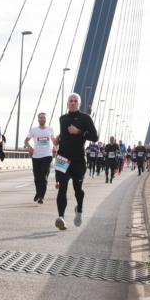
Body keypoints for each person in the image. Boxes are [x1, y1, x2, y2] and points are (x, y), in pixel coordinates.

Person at [52, 93, 98, 230]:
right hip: (62, 158)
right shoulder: (62, 119)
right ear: (67, 103)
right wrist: (58, 138)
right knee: (62, 188)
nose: (72, 103)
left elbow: (94, 137)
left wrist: (79, 132)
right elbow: (64, 134)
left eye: (75, 101)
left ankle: (79, 209)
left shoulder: (86, 118)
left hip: (78, 160)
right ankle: (61, 217)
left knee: (78, 189)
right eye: (70, 101)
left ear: (79, 104)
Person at [24, 112, 55, 203]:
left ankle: (41, 196)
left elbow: (54, 141)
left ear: (46, 119)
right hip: (36, 156)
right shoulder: (34, 130)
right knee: (36, 177)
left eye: (44, 118)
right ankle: (38, 192)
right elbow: (26, 141)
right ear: (38, 119)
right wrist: (30, 148)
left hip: (47, 155)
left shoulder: (50, 129)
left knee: (43, 176)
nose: (42, 119)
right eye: (41, 118)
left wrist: (55, 147)